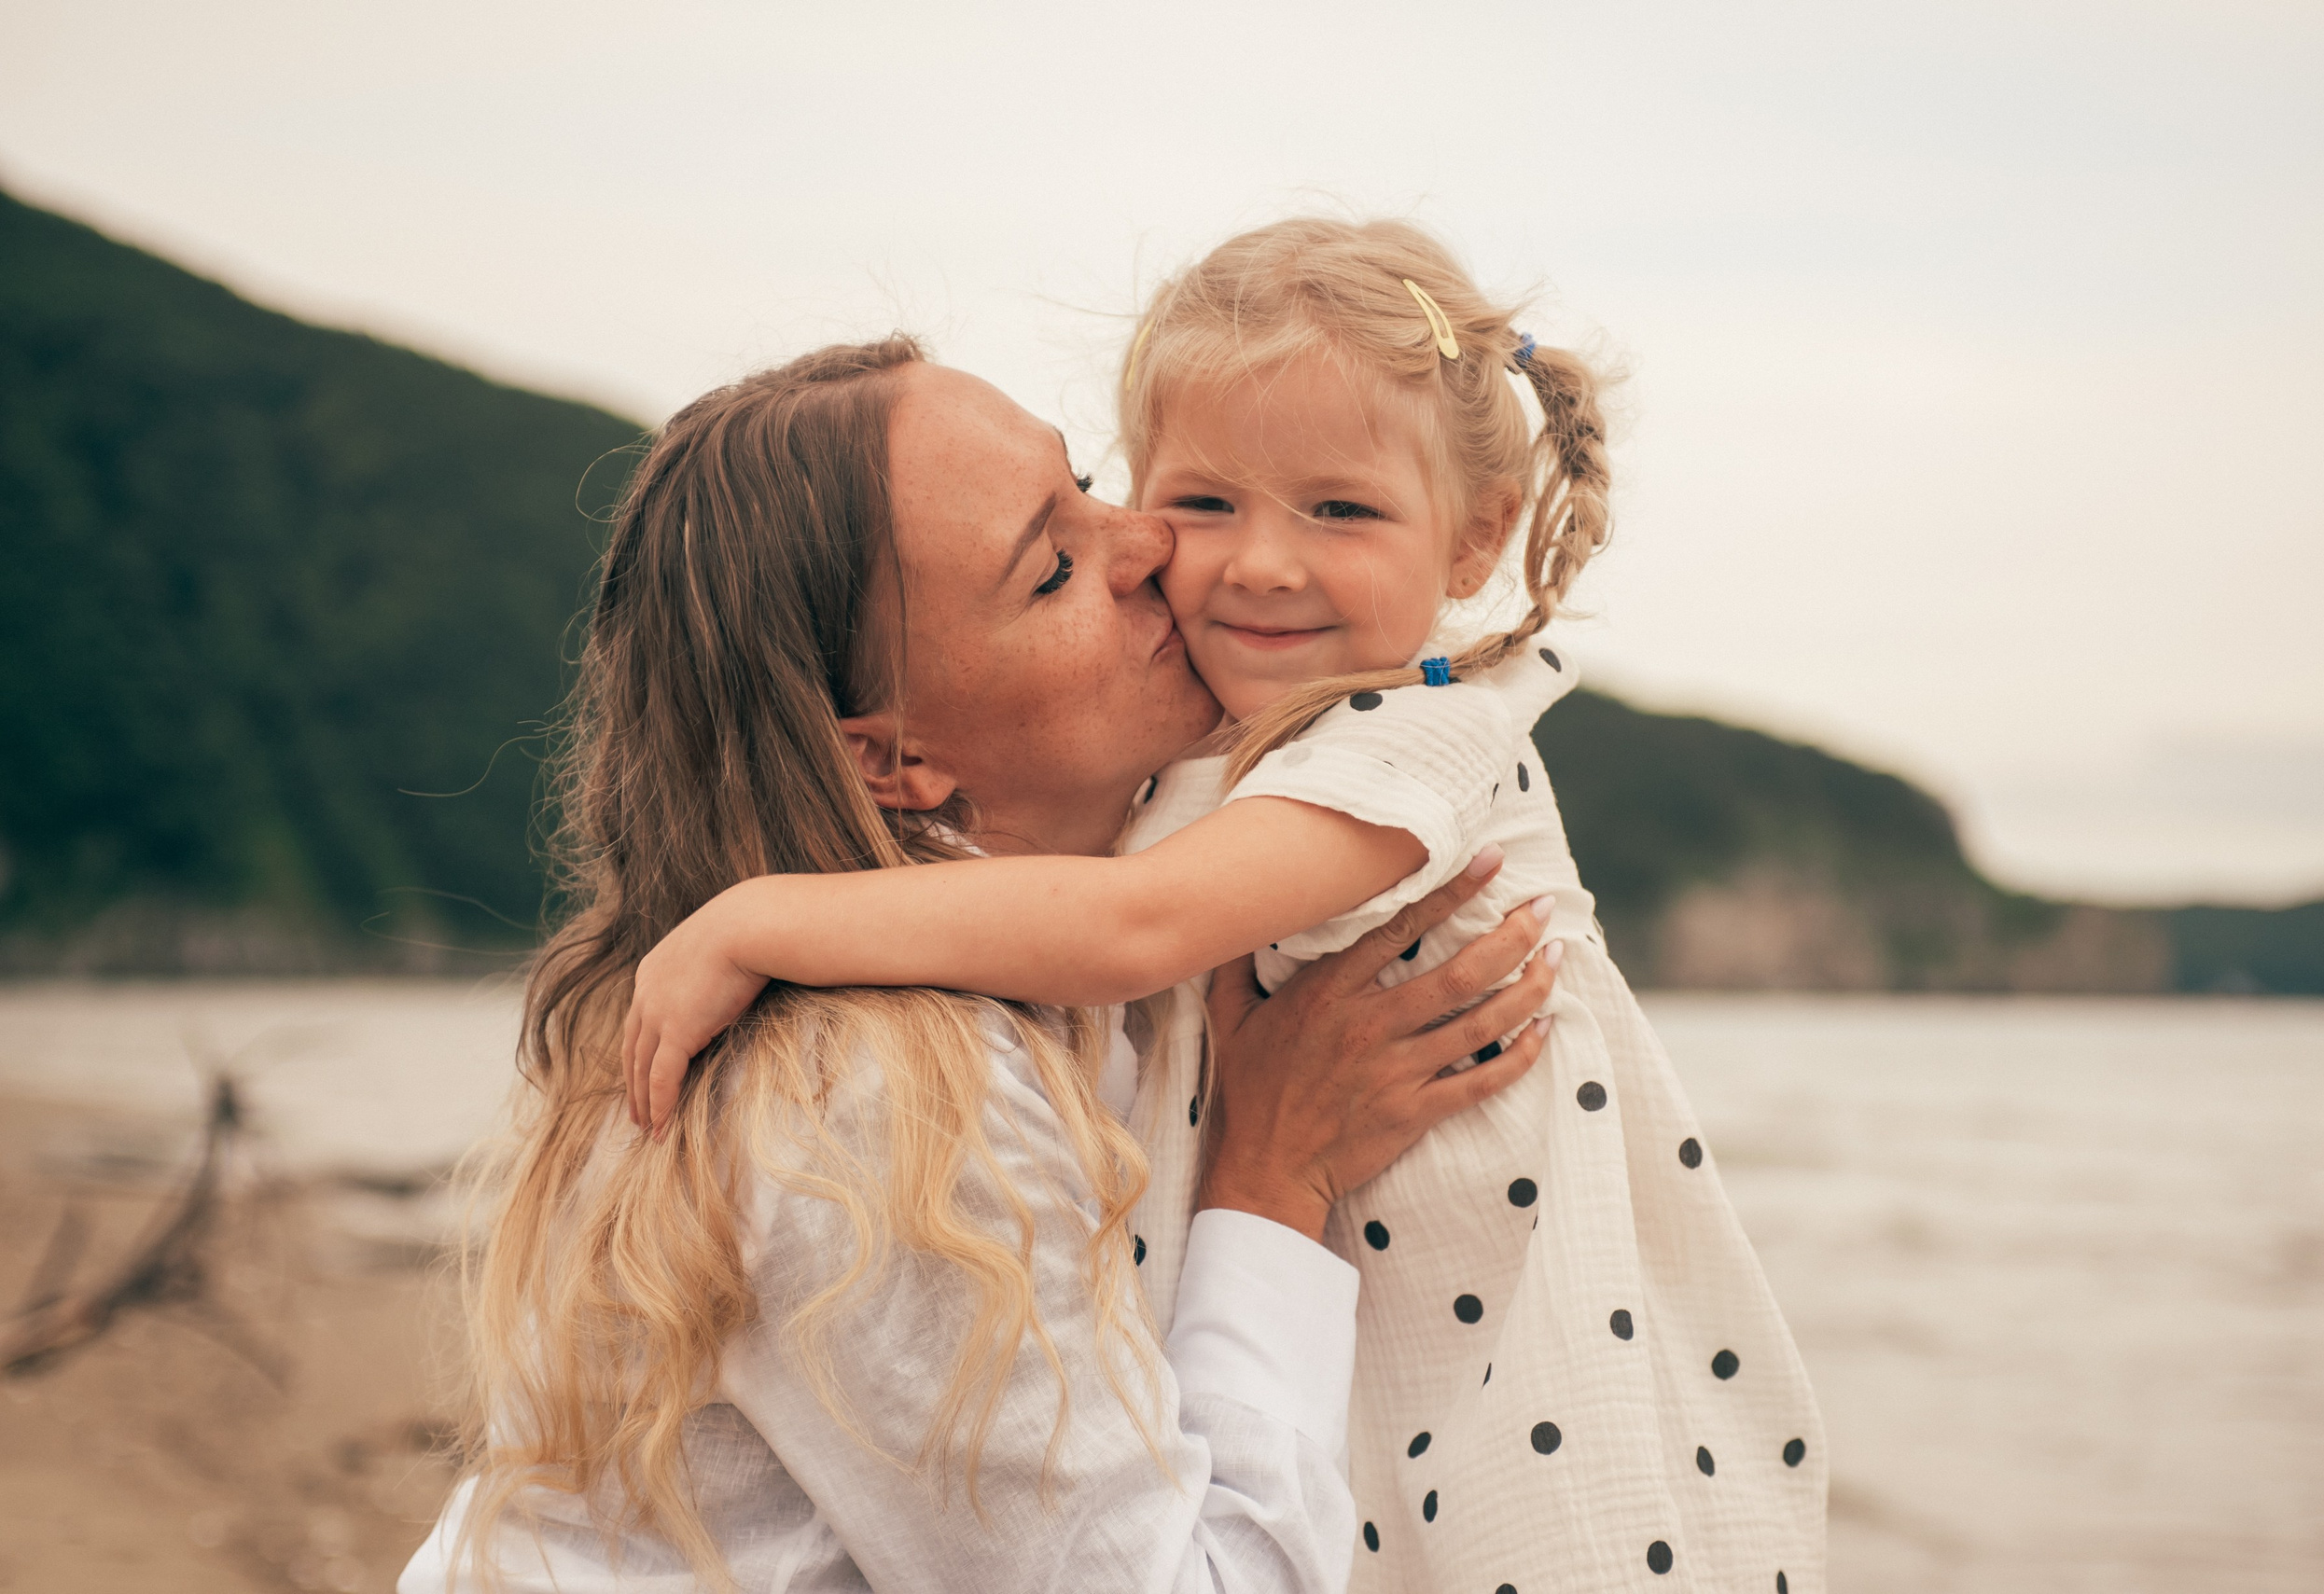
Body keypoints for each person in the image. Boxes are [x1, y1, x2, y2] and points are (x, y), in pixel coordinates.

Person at [624, 219, 1827, 1592]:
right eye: (1201, 503)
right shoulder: (890, 1078)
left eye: (1340, 509)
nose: (1249, 563)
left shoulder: (1414, 733)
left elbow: (1131, 927)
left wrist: (761, 919)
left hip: (1519, 1346)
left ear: (1475, 538)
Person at [397, 334, 1563, 1593]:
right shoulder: (865, 1096)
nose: (1152, 544)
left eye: (1090, 485)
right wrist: (1273, 1176)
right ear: (889, 763)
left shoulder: (1049, 982)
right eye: (1056, 567)